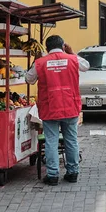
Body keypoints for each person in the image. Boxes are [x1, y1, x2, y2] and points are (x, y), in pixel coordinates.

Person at [26, 35, 90, 186]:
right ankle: (73, 172)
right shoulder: (73, 59)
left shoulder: (40, 63)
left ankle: (53, 175)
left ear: (47, 49)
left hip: (50, 108)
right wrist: (71, 52)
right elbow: (86, 65)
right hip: (70, 106)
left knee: (51, 141)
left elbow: (29, 79)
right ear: (63, 46)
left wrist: (36, 61)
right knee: (71, 140)